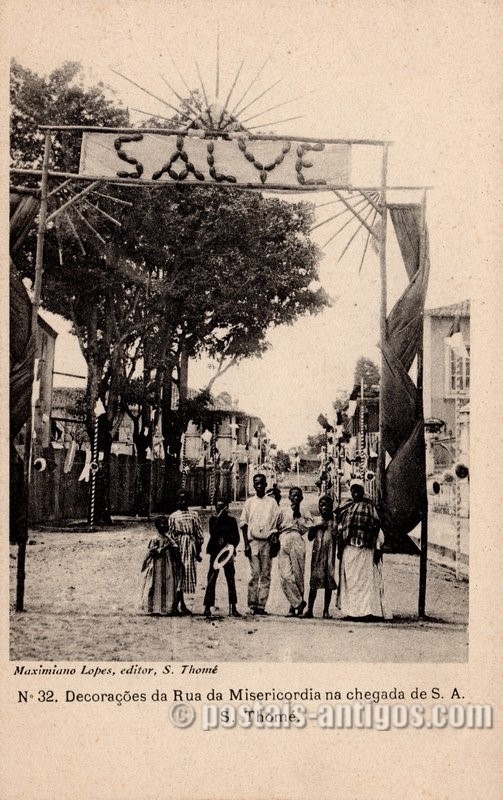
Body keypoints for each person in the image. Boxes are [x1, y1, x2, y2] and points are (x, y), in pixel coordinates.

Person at [336, 478, 392, 620]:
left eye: (358, 490)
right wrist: (340, 547)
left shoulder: (370, 507)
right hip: (349, 550)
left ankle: (366, 612)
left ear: (363, 491)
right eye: (353, 490)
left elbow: (377, 528)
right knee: (351, 581)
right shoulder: (346, 507)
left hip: (366, 550)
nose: (355, 493)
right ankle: (351, 612)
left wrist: (378, 548)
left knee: (365, 582)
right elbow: (340, 528)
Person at [240, 473, 281, 615]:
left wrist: (275, 542)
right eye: (256, 483)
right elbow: (244, 524)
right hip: (253, 542)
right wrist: (246, 544)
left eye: (261, 483)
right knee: (254, 574)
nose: (259, 486)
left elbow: (277, 524)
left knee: (266, 574)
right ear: (253, 485)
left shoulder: (272, 503)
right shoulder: (249, 502)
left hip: (267, 542)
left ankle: (261, 605)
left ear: (265, 485)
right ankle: (252, 604)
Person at [167, 489, 204, 615]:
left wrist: (198, 552)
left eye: (184, 499)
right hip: (178, 546)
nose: (182, 502)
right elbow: (171, 535)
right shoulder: (173, 516)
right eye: (180, 499)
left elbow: (199, 534)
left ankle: (180, 604)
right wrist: (174, 548)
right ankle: (176, 604)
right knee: (177, 574)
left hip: (190, 547)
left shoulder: (194, 515)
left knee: (186, 573)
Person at [277, 486, 312, 617]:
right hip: (284, 538)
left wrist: (299, 517)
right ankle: (298, 602)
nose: (296, 498)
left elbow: (309, 527)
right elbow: (276, 525)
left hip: (297, 539)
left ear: (302, 498)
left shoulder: (305, 511)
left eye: (298, 496)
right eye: (293, 495)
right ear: (289, 497)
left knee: (298, 574)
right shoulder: (283, 511)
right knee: (285, 575)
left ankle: (294, 607)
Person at [203, 498, 242, 618]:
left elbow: (236, 537)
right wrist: (219, 517)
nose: (220, 509)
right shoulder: (213, 520)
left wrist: (230, 546)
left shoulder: (232, 521)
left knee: (230, 578)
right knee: (211, 578)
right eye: (218, 507)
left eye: (222, 507)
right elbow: (213, 533)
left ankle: (233, 607)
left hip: (227, 553)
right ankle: (207, 607)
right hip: (215, 552)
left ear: (227, 508)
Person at [305, 494, 338, 619]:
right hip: (317, 556)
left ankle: (326, 610)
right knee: (314, 582)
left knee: (328, 581)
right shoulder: (316, 520)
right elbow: (309, 537)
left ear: (331, 506)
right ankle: (309, 610)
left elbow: (337, 535)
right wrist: (317, 526)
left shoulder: (335, 520)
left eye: (327, 505)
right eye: (321, 505)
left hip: (329, 555)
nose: (324, 508)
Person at [140, 516, 180, 616]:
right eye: (163, 524)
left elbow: (175, 548)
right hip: (157, 564)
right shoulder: (155, 538)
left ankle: (166, 607)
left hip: (167, 564)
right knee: (155, 584)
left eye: (167, 524)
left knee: (167, 584)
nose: (166, 526)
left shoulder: (169, 538)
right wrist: (164, 548)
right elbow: (151, 552)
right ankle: (153, 607)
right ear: (158, 526)